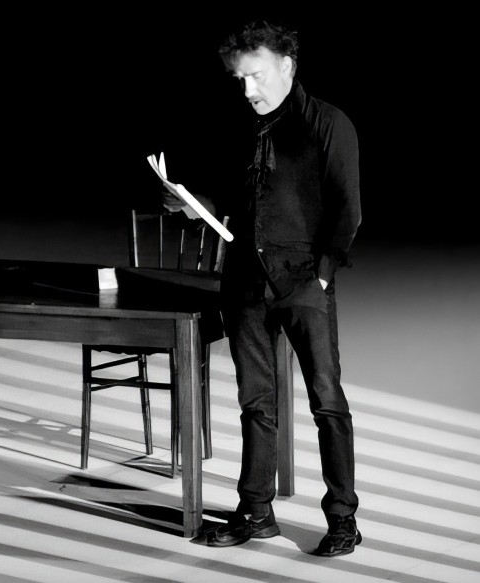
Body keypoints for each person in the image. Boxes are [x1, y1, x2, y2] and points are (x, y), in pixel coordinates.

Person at [162, 19, 362, 557]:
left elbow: (348, 209)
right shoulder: (239, 125)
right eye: (240, 79)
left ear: (287, 66)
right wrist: (190, 204)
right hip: (245, 284)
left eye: (256, 76)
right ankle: (256, 511)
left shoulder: (328, 123)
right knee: (256, 402)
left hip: (304, 282)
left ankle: (343, 517)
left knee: (327, 400)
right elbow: (227, 197)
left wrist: (322, 276)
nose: (247, 90)